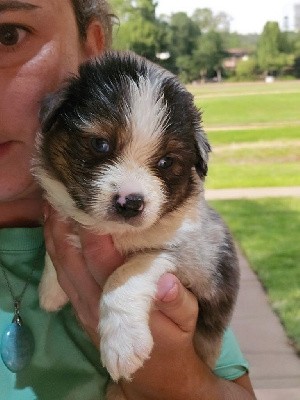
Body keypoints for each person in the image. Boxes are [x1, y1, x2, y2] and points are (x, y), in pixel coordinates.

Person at [0, 0, 256, 398]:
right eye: (101, 146)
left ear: (92, 46)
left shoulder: (170, 235)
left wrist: (174, 377)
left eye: (7, 34)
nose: (130, 194)